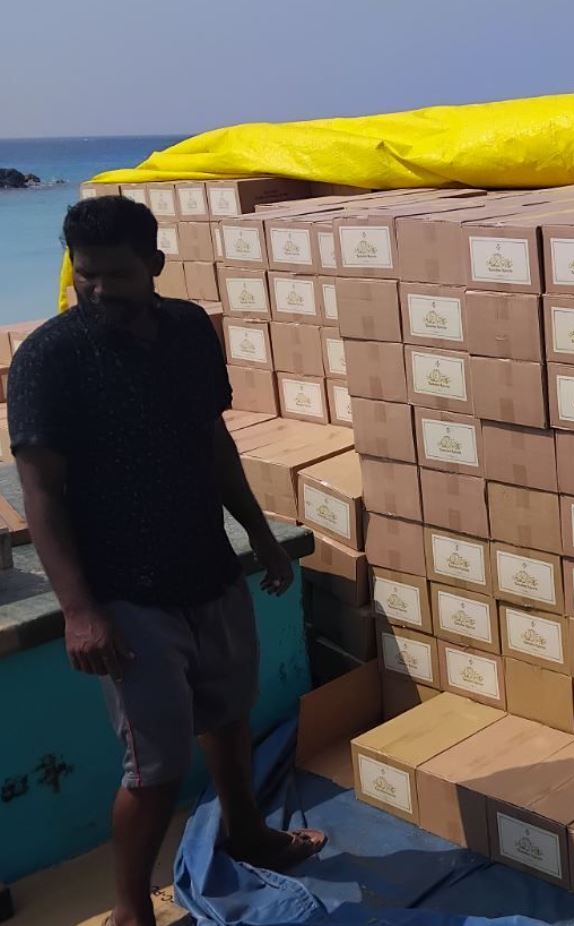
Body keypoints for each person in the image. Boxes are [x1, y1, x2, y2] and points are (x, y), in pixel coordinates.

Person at [7, 196, 325, 926]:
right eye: (85, 275)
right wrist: (80, 611)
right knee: (154, 770)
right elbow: (41, 493)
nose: (97, 290)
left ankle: (248, 834)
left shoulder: (187, 331)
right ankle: (130, 910)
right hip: (125, 597)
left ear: (154, 264)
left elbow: (212, 441)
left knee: (230, 717)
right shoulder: (49, 360)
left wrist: (260, 535)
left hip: (208, 568)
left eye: (115, 275)